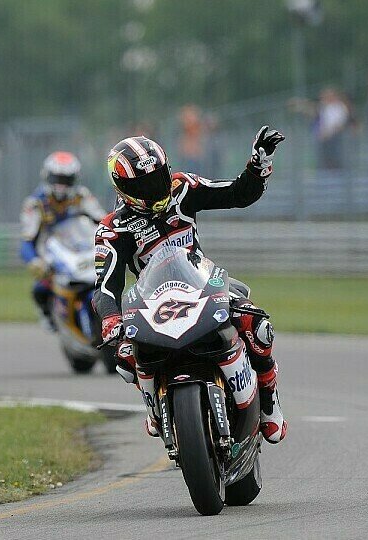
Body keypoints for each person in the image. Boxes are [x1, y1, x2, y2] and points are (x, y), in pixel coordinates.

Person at [93, 128, 287, 444]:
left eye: (159, 176)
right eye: (144, 184)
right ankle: (155, 408)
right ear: (124, 189)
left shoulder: (184, 188)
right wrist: (111, 321)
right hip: (152, 302)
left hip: (202, 284)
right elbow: (105, 287)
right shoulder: (113, 228)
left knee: (257, 324)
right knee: (126, 356)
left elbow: (238, 194)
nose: (157, 187)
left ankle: (268, 400)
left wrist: (257, 165)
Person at [20, 151, 106, 331]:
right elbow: (27, 241)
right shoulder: (35, 204)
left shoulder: (82, 196)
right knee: (40, 289)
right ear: (47, 177)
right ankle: (47, 314)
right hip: (52, 252)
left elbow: (102, 220)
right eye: (57, 179)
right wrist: (35, 262)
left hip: (82, 247)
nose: (61, 186)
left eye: (66, 180)